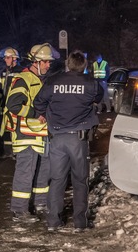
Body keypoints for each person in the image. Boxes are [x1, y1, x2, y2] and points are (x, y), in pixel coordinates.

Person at [33, 50, 103, 232]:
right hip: (78, 139)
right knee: (80, 180)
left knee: (57, 180)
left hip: (56, 138)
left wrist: (46, 115)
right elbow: (99, 98)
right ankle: (80, 222)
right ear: (84, 66)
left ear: (67, 64)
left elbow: (38, 102)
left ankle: (53, 221)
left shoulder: (53, 80)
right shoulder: (91, 83)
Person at [4, 43, 59, 222]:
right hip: (26, 136)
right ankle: (19, 210)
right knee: (25, 172)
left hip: (42, 136)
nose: (48, 65)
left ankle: (40, 203)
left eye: (49, 62)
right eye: (45, 62)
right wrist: (36, 114)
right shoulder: (23, 79)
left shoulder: (43, 80)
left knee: (43, 171)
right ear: (35, 62)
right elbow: (13, 105)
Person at [0, 47, 20, 159]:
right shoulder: (4, 72)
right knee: (5, 129)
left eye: (8, 57)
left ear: (14, 59)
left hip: (14, 106)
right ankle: (7, 151)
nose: (5, 60)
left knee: (15, 129)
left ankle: (16, 152)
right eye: (5, 58)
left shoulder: (20, 72)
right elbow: (0, 89)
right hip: (4, 106)